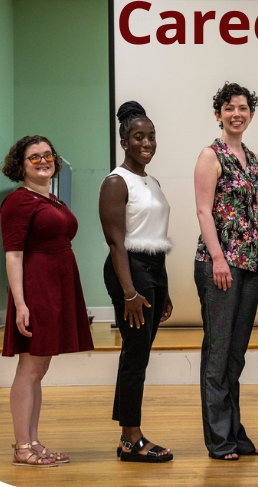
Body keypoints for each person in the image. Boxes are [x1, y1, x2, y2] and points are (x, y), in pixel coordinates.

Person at [0, 135, 94, 468]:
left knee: (39, 370)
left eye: (48, 155)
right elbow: (13, 255)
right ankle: (22, 446)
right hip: (36, 288)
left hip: (58, 286)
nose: (43, 161)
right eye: (34, 157)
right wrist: (21, 304)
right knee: (30, 368)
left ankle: (33, 441)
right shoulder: (18, 202)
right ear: (20, 166)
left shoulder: (51, 199)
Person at [193, 82, 258, 460]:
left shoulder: (253, 159)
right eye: (229, 108)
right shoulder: (211, 155)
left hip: (251, 264)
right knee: (218, 353)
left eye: (243, 108)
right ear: (218, 114)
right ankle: (220, 439)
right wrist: (219, 258)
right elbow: (203, 211)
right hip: (220, 266)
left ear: (251, 115)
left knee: (236, 355)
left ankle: (235, 433)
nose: (236, 114)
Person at [99, 101, 175, 463]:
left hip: (153, 269)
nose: (147, 142)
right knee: (135, 356)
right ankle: (131, 438)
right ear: (124, 141)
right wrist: (129, 292)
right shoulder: (116, 182)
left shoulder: (152, 180)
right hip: (129, 269)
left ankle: (128, 435)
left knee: (138, 356)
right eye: (138, 137)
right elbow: (117, 243)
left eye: (151, 136)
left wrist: (166, 289)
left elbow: (155, 235)